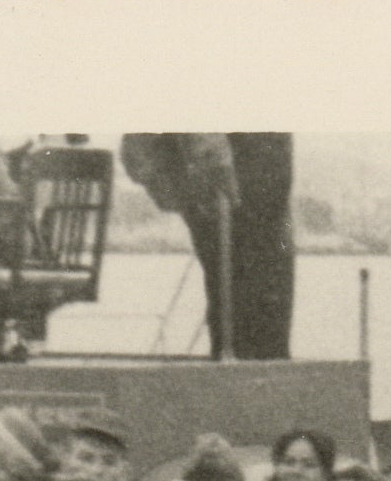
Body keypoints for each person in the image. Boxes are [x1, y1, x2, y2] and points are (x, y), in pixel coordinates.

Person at [117, 133, 297, 361]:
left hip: (253, 159)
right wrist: (213, 160)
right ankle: (247, 378)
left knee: (264, 290)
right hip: (233, 158)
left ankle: (255, 376)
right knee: (246, 288)